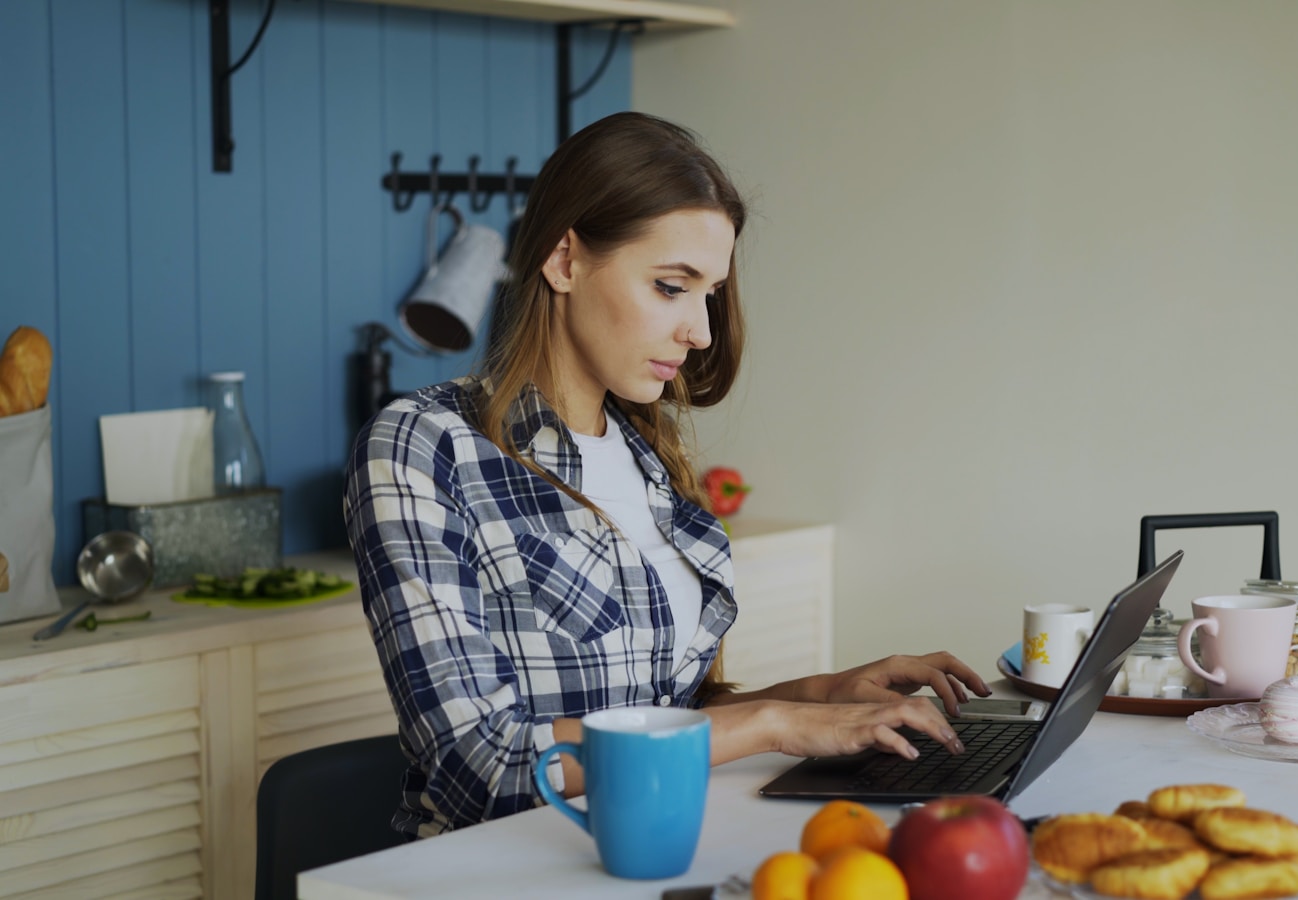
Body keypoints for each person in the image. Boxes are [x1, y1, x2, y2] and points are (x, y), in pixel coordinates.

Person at [344, 111, 990, 840]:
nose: (703, 330)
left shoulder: (649, 457)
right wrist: (775, 723)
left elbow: (655, 718)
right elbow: (480, 770)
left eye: (708, 293)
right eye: (671, 286)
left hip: (651, 846)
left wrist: (822, 695)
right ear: (565, 261)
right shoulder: (425, 446)